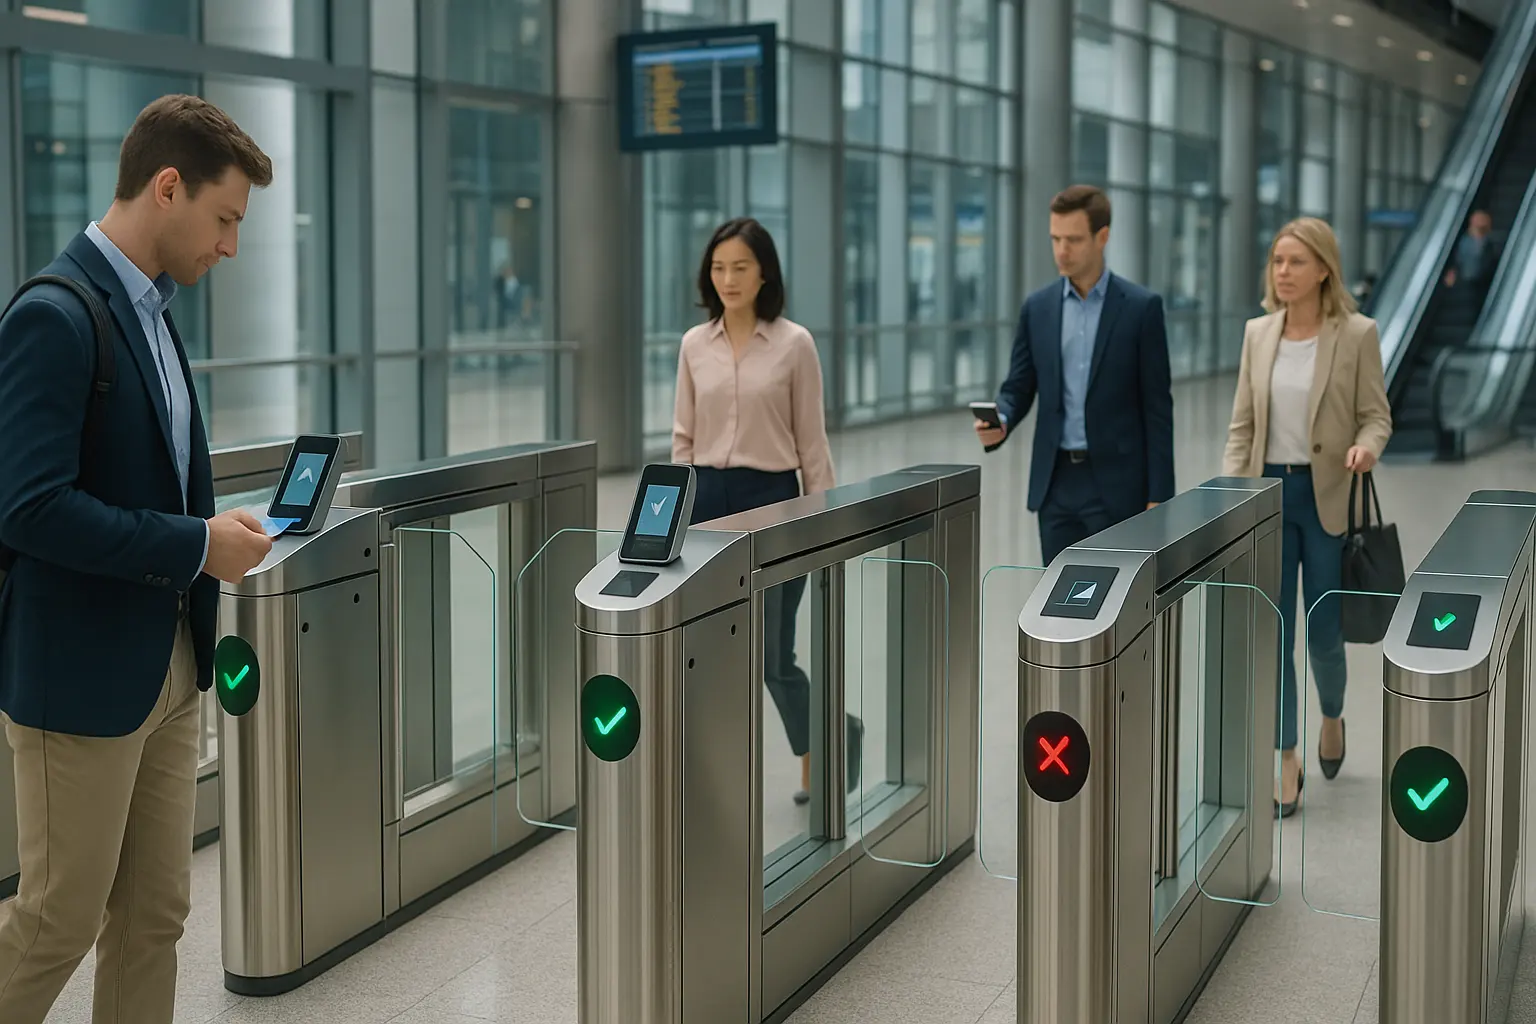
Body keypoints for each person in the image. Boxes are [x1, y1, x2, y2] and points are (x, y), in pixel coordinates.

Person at [0, 94, 276, 1022]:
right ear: (169, 186)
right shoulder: (55, 314)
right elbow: (29, 509)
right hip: (78, 678)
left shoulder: (153, 313)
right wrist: (198, 543)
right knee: (55, 922)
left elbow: (143, 477)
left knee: (153, 917)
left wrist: (203, 527)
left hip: (166, 666)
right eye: (226, 218)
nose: (230, 246)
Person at [672, 217, 861, 805]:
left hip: (774, 500)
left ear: (764, 275)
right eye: (718, 267)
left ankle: (828, 739)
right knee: (711, 650)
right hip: (706, 504)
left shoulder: (794, 344)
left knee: (774, 656)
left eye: (741, 267)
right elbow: (682, 438)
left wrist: (824, 519)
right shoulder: (692, 345)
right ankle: (718, 777)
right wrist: (673, 516)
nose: (727, 278)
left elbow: (812, 441)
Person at [1222, 217, 1392, 819]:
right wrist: (1231, 492)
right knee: (1275, 633)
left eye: (1295, 261)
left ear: (1324, 268)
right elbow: (1243, 427)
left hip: (1327, 503)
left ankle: (1333, 715)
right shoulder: (1257, 334)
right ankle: (1286, 759)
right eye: (1277, 261)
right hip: (1268, 497)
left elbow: (1376, 414)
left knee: (1323, 636)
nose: (1283, 272)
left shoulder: (1357, 334)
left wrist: (1367, 446)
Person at [977, 184, 1175, 565]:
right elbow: (1018, 386)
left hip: (1118, 487)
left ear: (1103, 237)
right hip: (1056, 487)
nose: (1061, 251)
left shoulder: (1141, 309)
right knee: (1057, 609)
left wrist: (1160, 495)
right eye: (1055, 239)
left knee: (1117, 608)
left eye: (1073, 240)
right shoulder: (1038, 308)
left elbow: (1157, 409)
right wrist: (1000, 418)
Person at [1444, 209, 1500, 293]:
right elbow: (1458, 259)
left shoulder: (1489, 243)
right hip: (1466, 280)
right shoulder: (1464, 241)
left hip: (1482, 282)